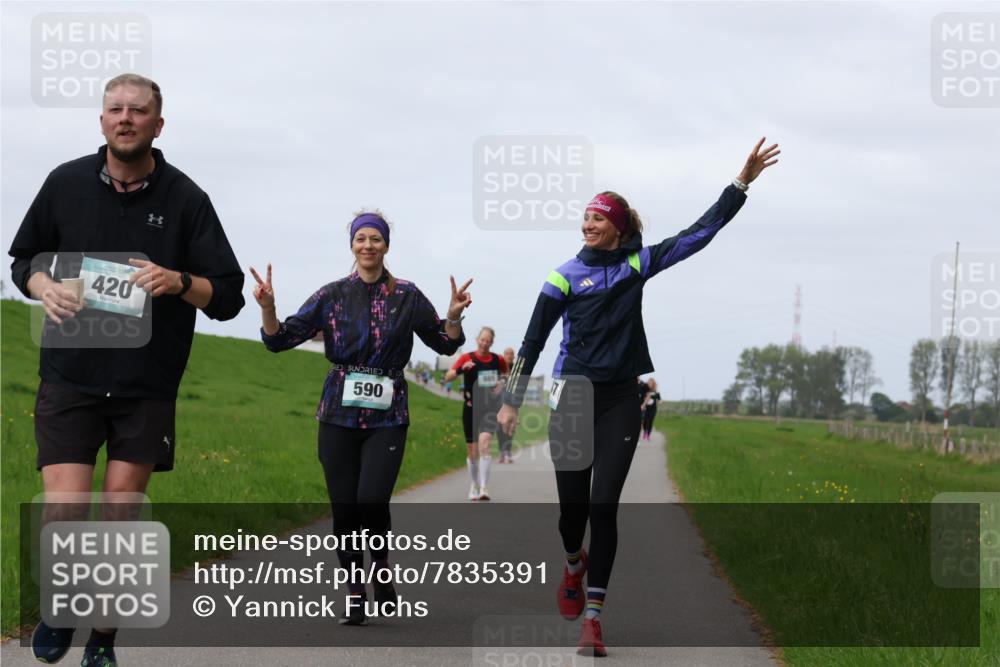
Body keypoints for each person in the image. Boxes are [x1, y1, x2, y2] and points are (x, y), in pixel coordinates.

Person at [498, 138, 780, 656]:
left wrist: (739, 185)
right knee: (572, 513)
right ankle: (571, 563)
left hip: (621, 400)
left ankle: (595, 616)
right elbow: (534, 340)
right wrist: (513, 399)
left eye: (599, 218)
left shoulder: (637, 265)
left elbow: (698, 234)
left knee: (604, 505)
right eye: (585, 218)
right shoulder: (562, 275)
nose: (588, 224)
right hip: (574, 398)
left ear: (619, 227)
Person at [9, 73, 245, 667]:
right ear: (101, 120)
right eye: (115, 108)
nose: (125, 118)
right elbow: (23, 259)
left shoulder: (187, 199)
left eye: (138, 111)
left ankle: (104, 641)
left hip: (145, 384)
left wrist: (179, 281)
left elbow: (229, 295)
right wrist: (42, 285)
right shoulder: (64, 183)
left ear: (157, 125)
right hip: (69, 374)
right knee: (63, 508)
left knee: (120, 512)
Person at [251, 211, 470, 625]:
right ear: (352, 245)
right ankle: (355, 588)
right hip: (337, 413)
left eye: (376, 239)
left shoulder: (407, 295)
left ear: (386, 246)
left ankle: (381, 567)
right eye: (361, 239)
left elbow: (444, 343)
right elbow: (279, 340)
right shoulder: (332, 294)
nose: (368, 245)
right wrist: (269, 307)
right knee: (345, 509)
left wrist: (454, 315)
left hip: (388, 416)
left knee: (372, 501)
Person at [444, 327, 508, 499]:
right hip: (471, 408)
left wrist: (501, 383)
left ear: (492, 343)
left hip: (490, 409)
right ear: (477, 339)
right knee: (472, 452)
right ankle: (474, 485)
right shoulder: (467, 358)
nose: (485, 343)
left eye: (488, 341)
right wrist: (461, 369)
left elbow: (506, 374)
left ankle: (484, 488)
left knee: (485, 445)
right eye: (482, 340)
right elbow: (447, 377)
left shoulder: (497, 360)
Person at [497, 347, 517, 463]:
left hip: (512, 403)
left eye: (511, 354)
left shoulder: (516, 369)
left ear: (514, 356)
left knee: (510, 428)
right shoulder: (499, 369)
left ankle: (508, 451)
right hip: (498, 403)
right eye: (507, 354)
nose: (509, 356)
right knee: (499, 428)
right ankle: (502, 452)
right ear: (503, 355)